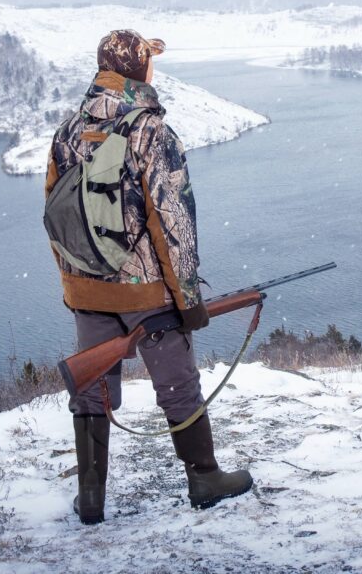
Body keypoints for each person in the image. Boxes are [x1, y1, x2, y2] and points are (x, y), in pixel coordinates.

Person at [44, 29, 252, 524]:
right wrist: (187, 297)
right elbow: (170, 220)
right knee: (177, 383)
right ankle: (203, 477)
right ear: (137, 70)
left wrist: (74, 284)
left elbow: (55, 217)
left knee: (93, 385)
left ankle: (91, 500)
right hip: (146, 288)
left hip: (87, 285)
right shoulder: (151, 131)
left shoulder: (67, 131)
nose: (153, 70)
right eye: (149, 62)